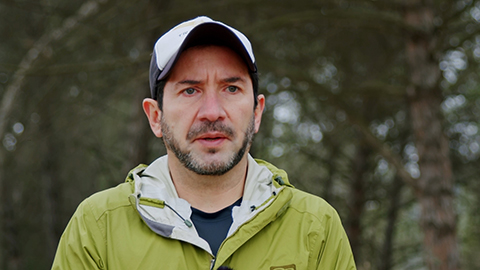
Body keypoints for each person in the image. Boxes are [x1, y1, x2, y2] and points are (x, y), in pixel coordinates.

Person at [51, 16, 356, 270]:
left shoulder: (316, 227)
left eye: (231, 88)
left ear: (257, 111)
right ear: (155, 116)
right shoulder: (97, 228)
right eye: (190, 90)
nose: (212, 112)